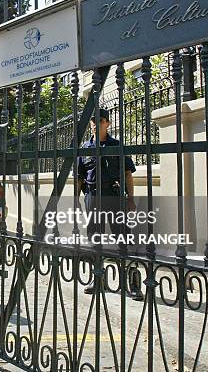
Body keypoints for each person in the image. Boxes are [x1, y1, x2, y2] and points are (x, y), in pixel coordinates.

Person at [77, 108, 142, 300]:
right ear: (91, 124)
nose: (98, 124)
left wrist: (130, 198)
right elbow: (80, 178)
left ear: (108, 123)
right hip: (92, 197)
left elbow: (128, 174)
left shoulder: (117, 146)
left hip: (115, 197)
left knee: (123, 238)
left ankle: (132, 282)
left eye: (102, 120)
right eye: (94, 121)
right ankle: (97, 279)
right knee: (94, 238)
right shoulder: (85, 149)